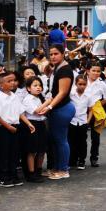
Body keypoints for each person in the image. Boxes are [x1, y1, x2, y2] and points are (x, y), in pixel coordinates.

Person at [37, 44, 75, 179]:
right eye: (51, 54)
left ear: (63, 54)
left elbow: (62, 93)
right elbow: (53, 94)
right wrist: (43, 107)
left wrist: (49, 107)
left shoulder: (65, 69)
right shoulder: (58, 68)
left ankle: (64, 170)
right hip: (57, 108)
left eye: (56, 54)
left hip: (62, 109)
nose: (53, 56)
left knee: (61, 140)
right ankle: (57, 168)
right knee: (56, 140)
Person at [0, 71, 33, 187]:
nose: (13, 83)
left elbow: (20, 113)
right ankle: (3, 177)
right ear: (1, 85)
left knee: (14, 152)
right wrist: (8, 127)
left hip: (15, 127)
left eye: (14, 80)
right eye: (9, 81)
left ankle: (13, 175)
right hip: (3, 128)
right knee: (4, 153)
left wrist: (28, 123)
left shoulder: (14, 97)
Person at [84, 63, 106, 168]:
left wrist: (99, 104)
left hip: (96, 112)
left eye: (98, 71)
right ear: (88, 71)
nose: (96, 73)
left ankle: (94, 158)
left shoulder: (101, 83)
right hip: (83, 112)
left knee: (95, 137)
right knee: (81, 136)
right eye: (93, 70)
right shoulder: (82, 81)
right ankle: (80, 158)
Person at [66, 74, 95, 177]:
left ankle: (82, 160)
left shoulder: (88, 96)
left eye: (84, 84)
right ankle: (72, 160)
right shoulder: (71, 95)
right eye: (80, 84)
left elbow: (91, 109)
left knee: (82, 142)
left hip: (83, 122)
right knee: (71, 141)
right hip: (72, 121)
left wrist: (88, 120)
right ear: (76, 84)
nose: (82, 86)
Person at [22, 77, 47, 182]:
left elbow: (43, 112)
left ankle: (38, 170)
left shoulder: (39, 98)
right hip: (32, 124)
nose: (38, 87)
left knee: (42, 149)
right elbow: (36, 111)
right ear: (28, 88)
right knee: (32, 150)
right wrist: (48, 102)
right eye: (35, 85)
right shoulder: (28, 99)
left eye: (40, 85)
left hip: (41, 123)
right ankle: (31, 173)